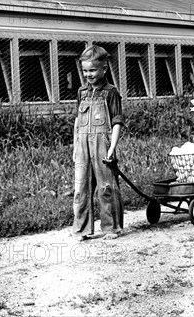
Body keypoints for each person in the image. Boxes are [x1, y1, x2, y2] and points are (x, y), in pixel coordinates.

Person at [72, 45, 124, 241]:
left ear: (105, 68)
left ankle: (111, 228)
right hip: (83, 145)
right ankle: (82, 229)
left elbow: (117, 121)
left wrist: (112, 147)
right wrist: (75, 146)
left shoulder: (111, 92)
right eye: (85, 70)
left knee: (106, 187)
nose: (88, 74)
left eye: (92, 70)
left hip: (103, 144)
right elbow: (77, 121)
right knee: (81, 188)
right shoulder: (81, 92)